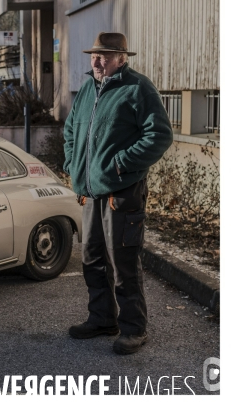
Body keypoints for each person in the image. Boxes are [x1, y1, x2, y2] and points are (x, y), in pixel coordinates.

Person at [63, 32, 173, 355]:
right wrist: (73, 165)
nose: (98, 61)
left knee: (124, 262)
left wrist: (121, 165)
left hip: (122, 194)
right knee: (92, 260)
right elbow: (70, 130)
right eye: (95, 55)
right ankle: (101, 319)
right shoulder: (87, 89)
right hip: (91, 194)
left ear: (122, 58)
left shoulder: (137, 87)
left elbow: (160, 135)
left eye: (106, 56)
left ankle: (134, 330)